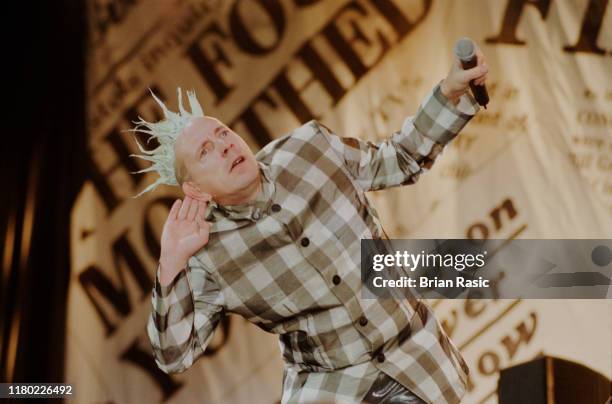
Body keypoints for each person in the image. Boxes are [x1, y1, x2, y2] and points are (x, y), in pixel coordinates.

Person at [133, 46, 488, 403]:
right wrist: (171, 264)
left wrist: (450, 92)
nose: (224, 147)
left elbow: (401, 158)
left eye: (223, 133)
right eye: (205, 151)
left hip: (413, 357)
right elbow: (174, 355)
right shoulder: (207, 253)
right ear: (195, 188)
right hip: (331, 388)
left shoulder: (310, 147)